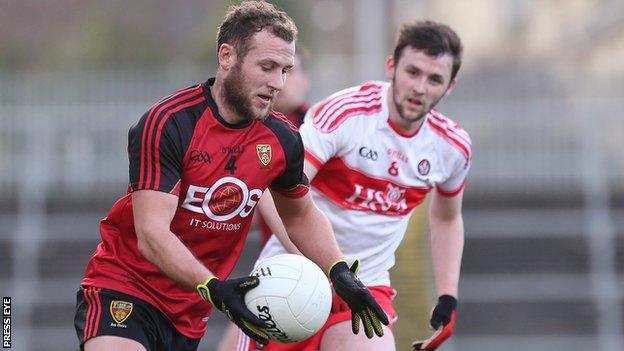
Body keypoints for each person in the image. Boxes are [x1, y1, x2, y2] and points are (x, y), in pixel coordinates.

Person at [72, 2, 388, 351]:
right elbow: (151, 235)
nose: (277, 84)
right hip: (126, 286)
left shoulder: (282, 139)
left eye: (285, 70)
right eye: (267, 67)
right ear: (226, 57)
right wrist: (212, 285)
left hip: (191, 309)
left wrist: (338, 269)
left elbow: (300, 216)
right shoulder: (168, 123)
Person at [232, 20, 471, 351]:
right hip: (294, 276)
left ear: (450, 86)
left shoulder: (452, 147)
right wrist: (325, 266)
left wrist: (448, 296)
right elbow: (276, 190)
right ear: (392, 66)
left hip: (366, 285)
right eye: (412, 72)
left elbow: (446, 218)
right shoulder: (346, 114)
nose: (419, 87)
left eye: (434, 79)